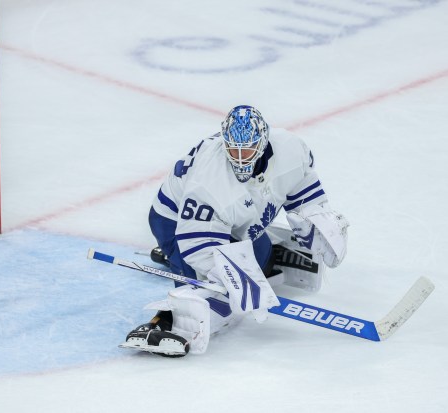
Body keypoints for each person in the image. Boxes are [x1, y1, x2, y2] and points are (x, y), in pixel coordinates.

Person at [120, 105, 349, 357]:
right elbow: (199, 246)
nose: (240, 157)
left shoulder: (291, 149)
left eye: (248, 148)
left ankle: (175, 259)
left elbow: (304, 191)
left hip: (235, 221)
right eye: (233, 149)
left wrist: (317, 221)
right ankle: (163, 322)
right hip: (176, 224)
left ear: (263, 142)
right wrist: (231, 278)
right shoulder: (209, 182)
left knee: (260, 259)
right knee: (218, 296)